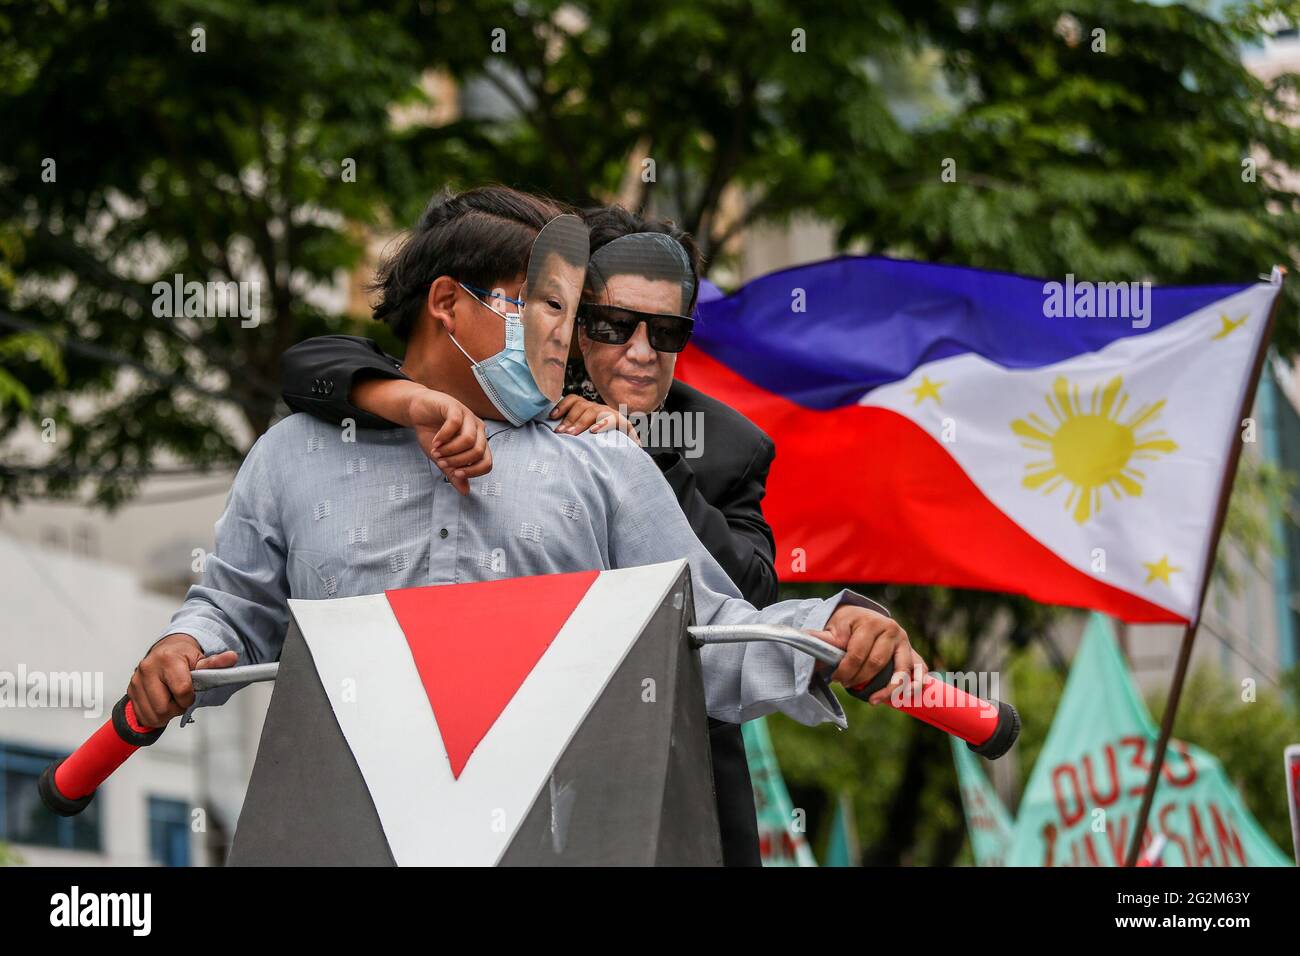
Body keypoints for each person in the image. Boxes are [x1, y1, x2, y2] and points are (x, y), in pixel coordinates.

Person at [129, 186, 926, 852]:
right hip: (340, 837)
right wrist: (182, 647)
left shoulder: (605, 463)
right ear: (447, 303)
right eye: (543, 304)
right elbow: (233, 609)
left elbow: (711, 634)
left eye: (571, 309)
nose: (563, 334)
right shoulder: (293, 454)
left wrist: (831, 634)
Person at [279, 205, 777, 864]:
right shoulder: (497, 392)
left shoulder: (725, 444)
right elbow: (316, 361)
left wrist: (644, 452)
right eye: (610, 324)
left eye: (667, 331)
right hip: (467, 778)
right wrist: (405, 404)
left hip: (669, 780)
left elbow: (751, 609)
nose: (640, 352)